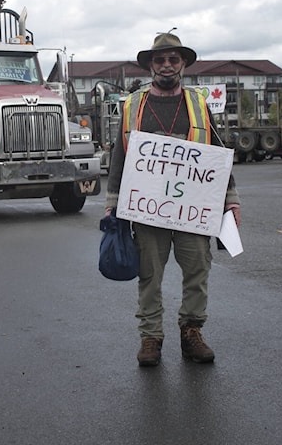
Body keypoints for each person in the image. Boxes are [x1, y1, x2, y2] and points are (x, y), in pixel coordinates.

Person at [104, 31, 241, 367]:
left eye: (173, 59)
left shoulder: (197, 103)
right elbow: (119, 155)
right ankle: (150, 337)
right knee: (149, 274)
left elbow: (216, 152)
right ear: (151, 65)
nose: (166, 65)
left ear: (183, 64)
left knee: (198, 269)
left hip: (192, 209)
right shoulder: (133, 105)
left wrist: (230, 199)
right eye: (160, 60)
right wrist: (112, 201)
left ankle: (191, 332)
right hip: (148, 210)